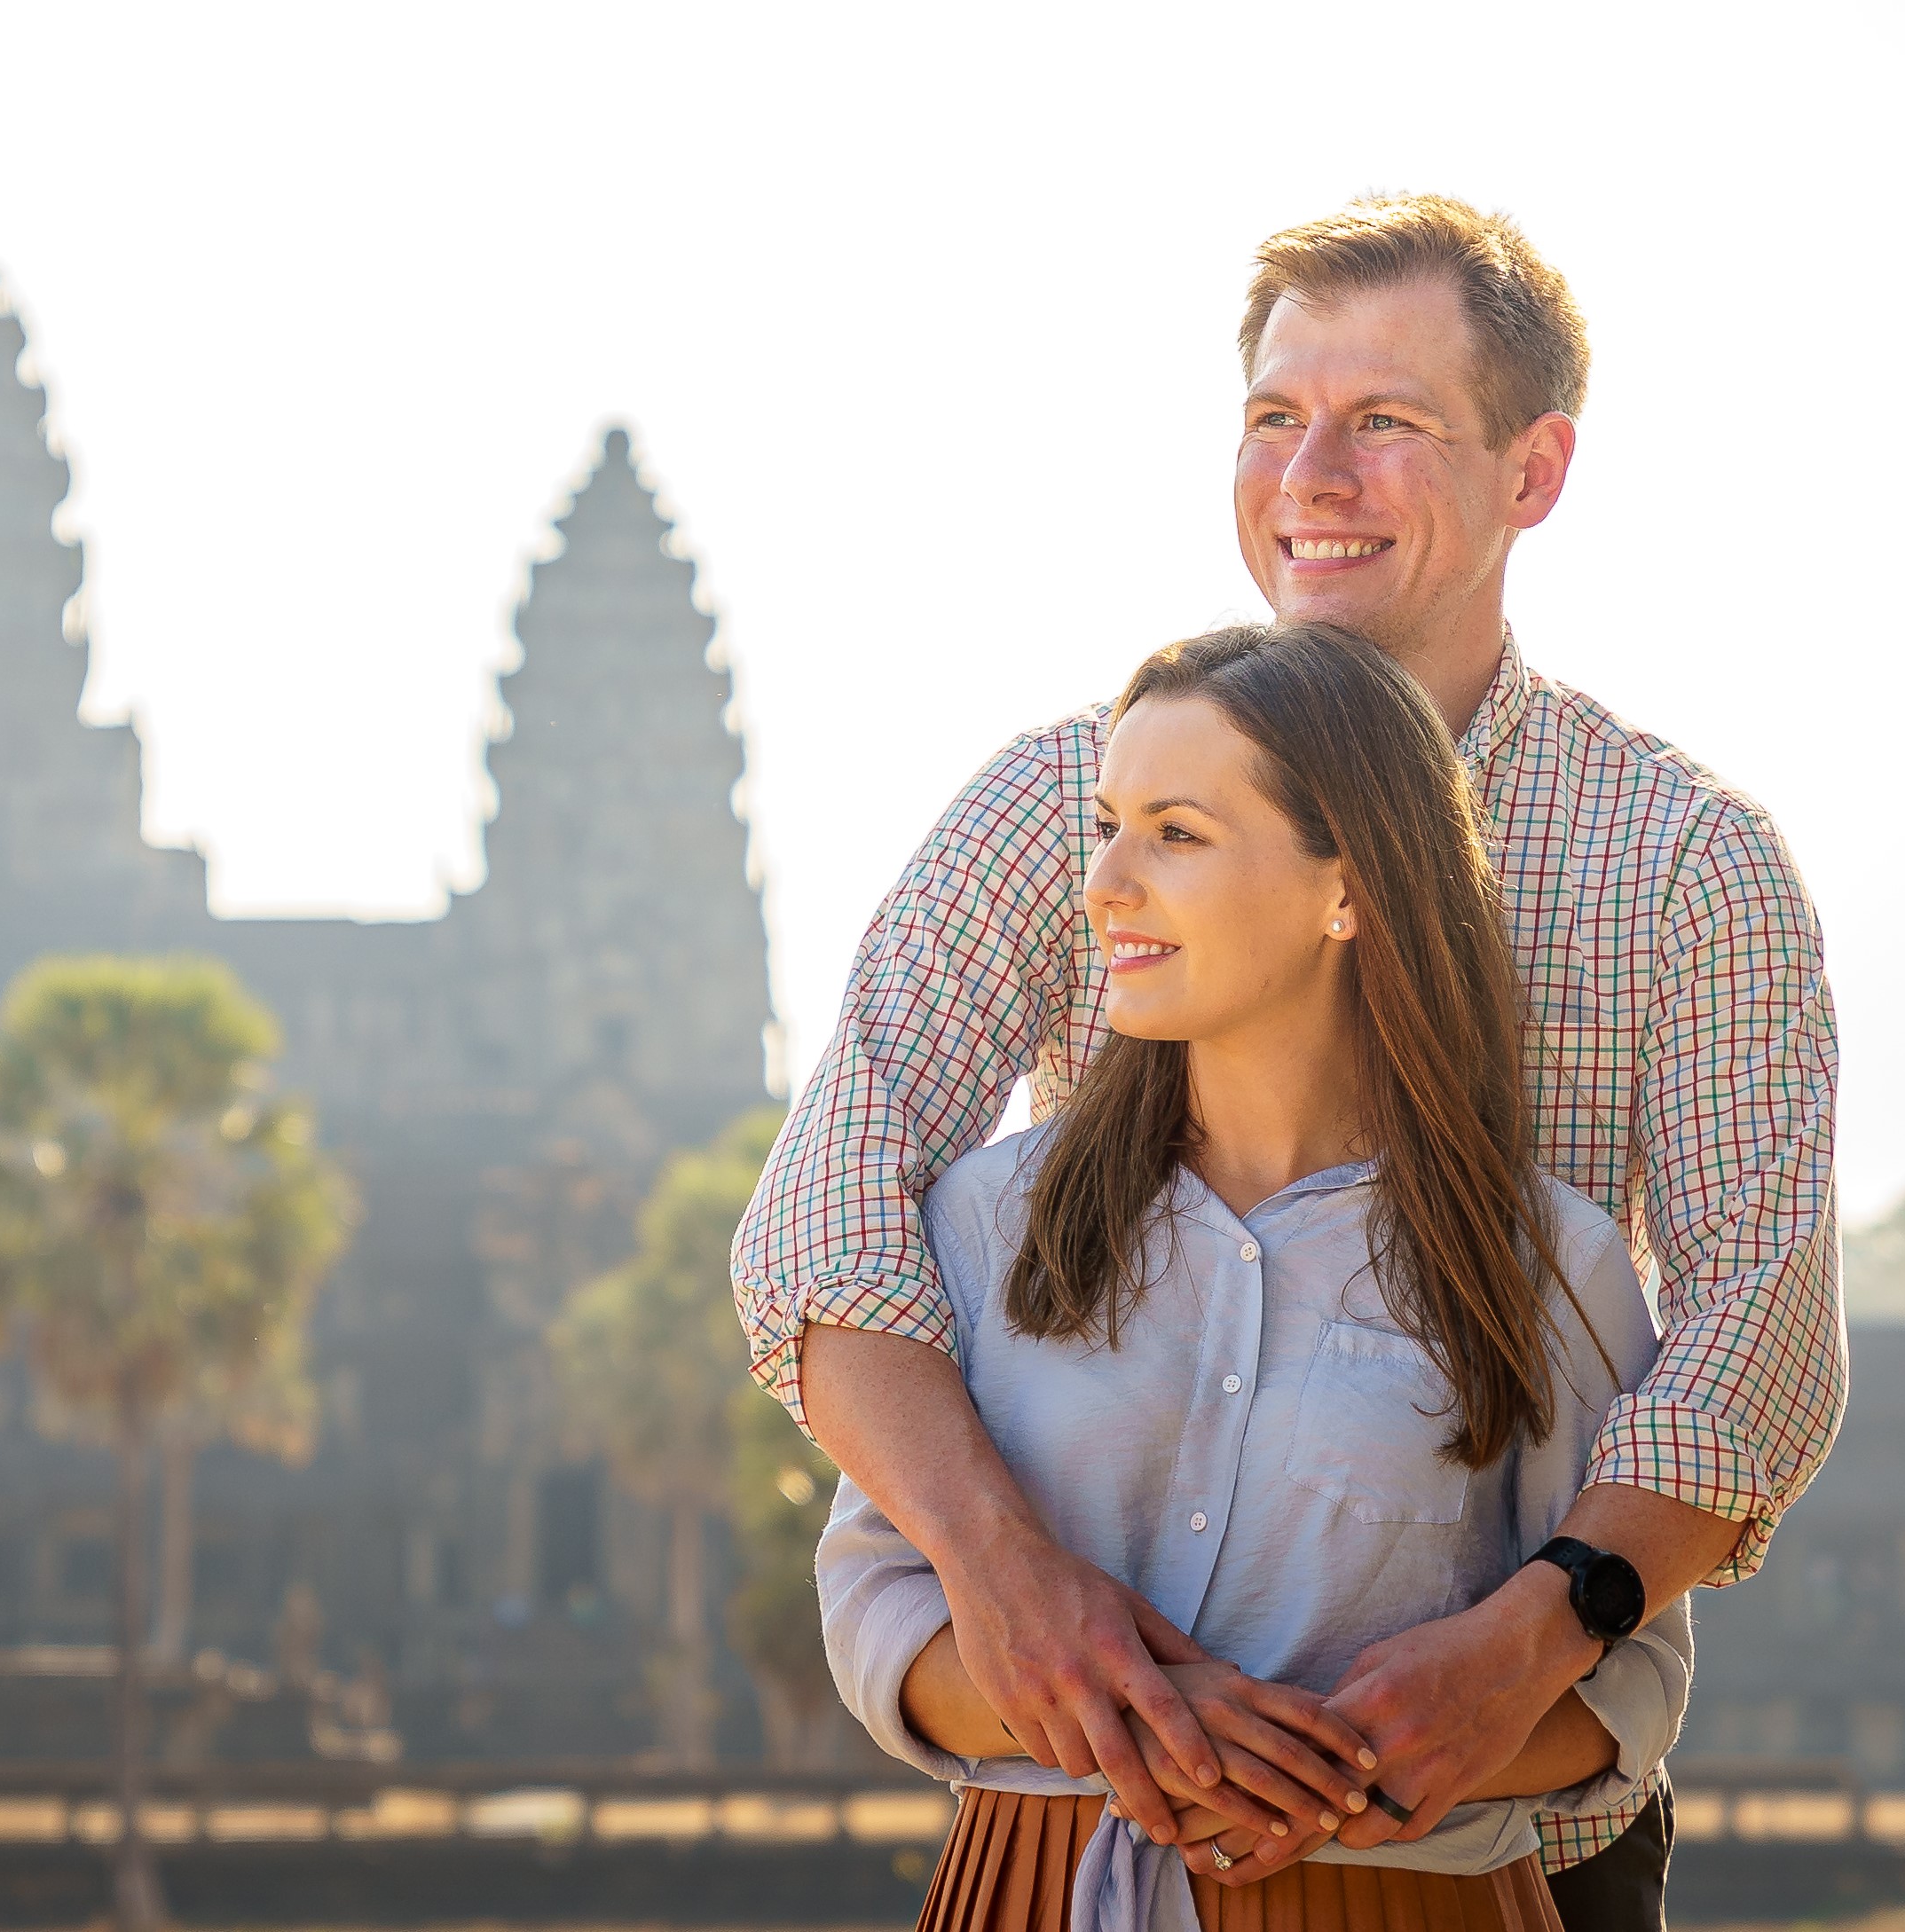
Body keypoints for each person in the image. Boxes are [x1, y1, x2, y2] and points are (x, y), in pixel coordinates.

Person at [731, 197, 1843, 1929]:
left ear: (1531, 472)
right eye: (1271, 416)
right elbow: (820, 1226)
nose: (1307, 473)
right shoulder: (1059, 800)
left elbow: (1754, 1334)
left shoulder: (1675, 857)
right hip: (1086, 1807)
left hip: (1492, 1812)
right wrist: (1006, 1578)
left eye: (1381, 422)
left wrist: (1519, 1641)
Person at [821, 621, 1687, 1928]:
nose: (1107, 881)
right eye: (1106, 826)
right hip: (1032, 1898)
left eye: (1175, 833)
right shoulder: (987, 1220)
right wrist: (1160, 1732)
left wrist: (1353, 1768)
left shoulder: (1546, 1261)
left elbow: (1629, 1684)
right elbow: (878, 1610)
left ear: (1352, 887)